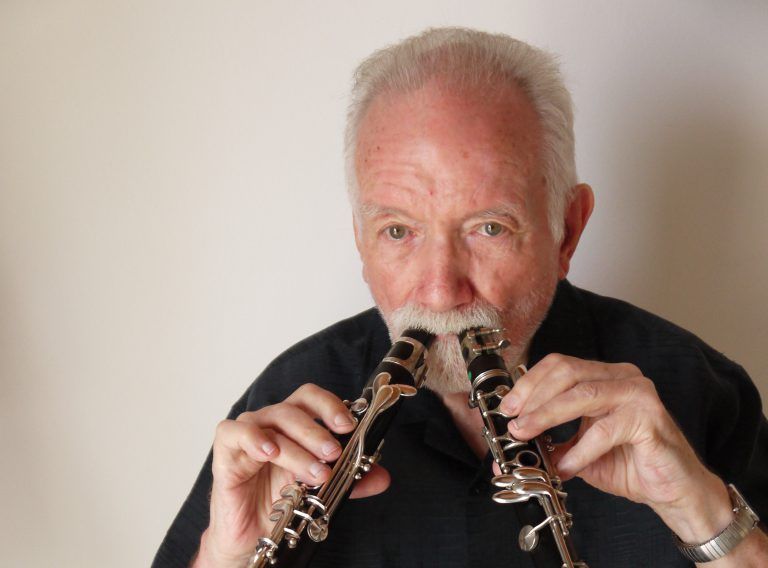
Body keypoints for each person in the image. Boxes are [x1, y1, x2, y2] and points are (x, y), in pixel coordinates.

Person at [153, 28, 768, 567]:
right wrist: (226, 558)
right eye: (399, 231)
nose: (441, 291)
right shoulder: (286, 401)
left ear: (567, 230)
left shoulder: (697, 391)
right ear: (361, 241)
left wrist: (707, 518)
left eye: (489, 228)